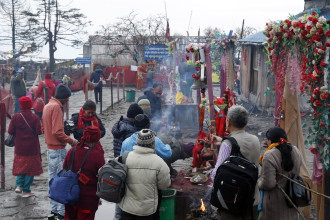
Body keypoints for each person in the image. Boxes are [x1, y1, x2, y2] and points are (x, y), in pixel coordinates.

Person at [210, 105, 261, 220]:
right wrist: (223, 140)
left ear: (228, 121)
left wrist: (210, 172)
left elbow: (216, 174)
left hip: (231, 200)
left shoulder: (227, 144)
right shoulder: (255, 139)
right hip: (252, 198)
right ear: (246, 122)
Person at [42, 83, 78, 219]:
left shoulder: (47, 106)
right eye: (67, 98)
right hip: (57, 149)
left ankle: (54, 211)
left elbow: (43, 128)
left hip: (50, 149)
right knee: (61, 182)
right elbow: (57, 131)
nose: (68, 100)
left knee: (52, 181)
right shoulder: (56, 107)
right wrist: (71, 141)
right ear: (63, 97)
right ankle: (61, 213)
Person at [118, 129, 171, 219]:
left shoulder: (125, 158)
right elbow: (164, 185)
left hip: (127, 209)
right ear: (153, 143)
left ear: (137, 142)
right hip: (148, 211)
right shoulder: (160, 163)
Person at [258, 127, 302, 220]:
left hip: (274, 204)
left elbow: (268, 184)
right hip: (292, 198)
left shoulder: (270, 155)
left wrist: (258, 181)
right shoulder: (296, 151)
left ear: (270, 140)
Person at [63, 126, 105, 220]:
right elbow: (102, 178)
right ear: (97, 138)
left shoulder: (72, 150)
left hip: (70, 196)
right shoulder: (98, 155)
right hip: (88, 200)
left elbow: (64, 168)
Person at [8, 97, 43, 197]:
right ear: (30, 105)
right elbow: (39, 132)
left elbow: (10, 131)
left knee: (21, 167)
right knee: (30, 169)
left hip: (19, 148)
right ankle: (26, 190)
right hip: (32, 147)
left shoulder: (15, 117)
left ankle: (18, 185)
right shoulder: (35, 117)